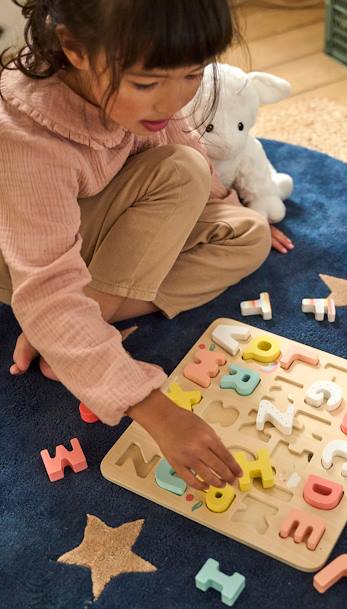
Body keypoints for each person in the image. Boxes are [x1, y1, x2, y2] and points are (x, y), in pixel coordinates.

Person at [0, 0, 294, 491]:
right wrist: (155, 409)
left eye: (194, 75)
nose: (174, 101)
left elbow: (180, 140)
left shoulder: (147, 104)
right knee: (182, 172)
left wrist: (230, 204)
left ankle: (68, 326)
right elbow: (46, 277)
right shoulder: (24, 140)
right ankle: (61, 324)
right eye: (146, 83)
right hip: (23, 259)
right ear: (73, 47)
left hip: (103, 230)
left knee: (249, 232)